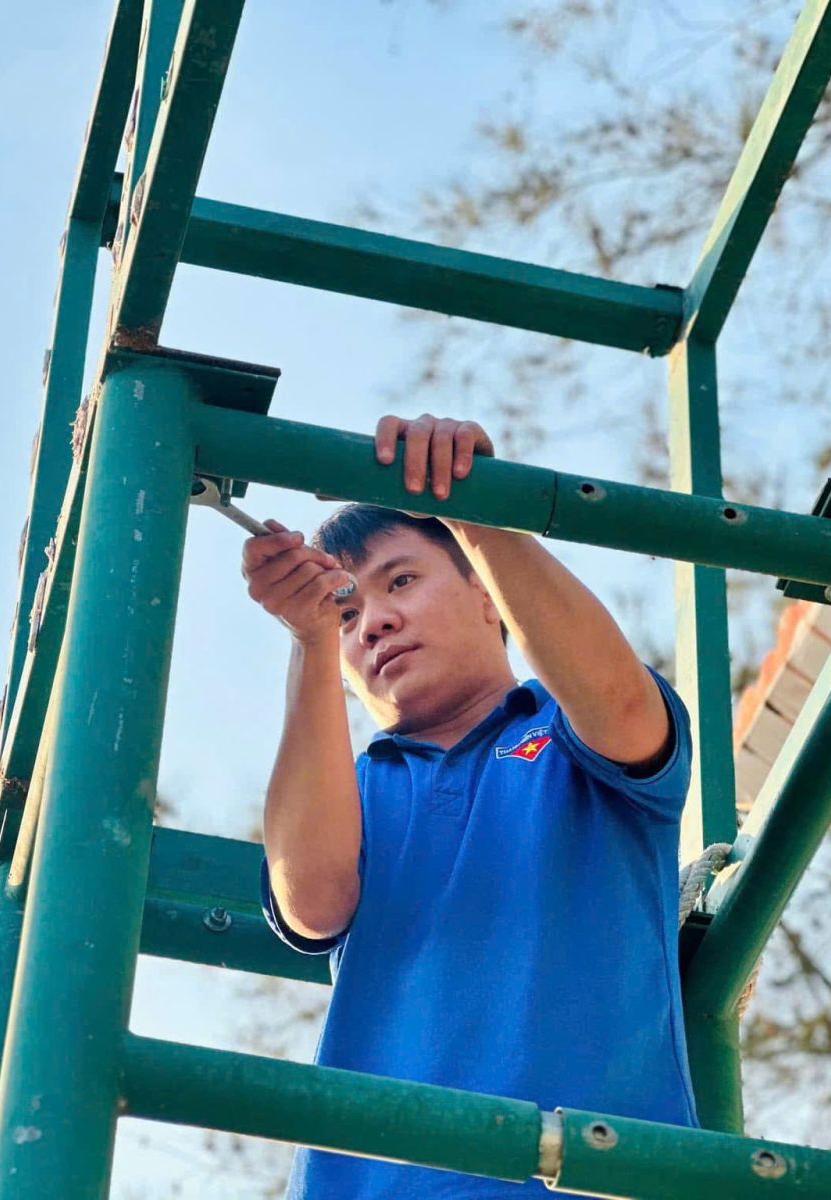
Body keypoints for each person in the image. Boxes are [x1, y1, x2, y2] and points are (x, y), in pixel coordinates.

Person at [241, 413, 698, 1198]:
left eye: (401, 581)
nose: (374, 621)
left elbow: (625, 713)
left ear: (489, 597)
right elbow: (310, 903)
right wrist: (309, 639)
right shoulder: (353, 787)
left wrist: (480, 519)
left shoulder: (569, 728)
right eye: (347, 612)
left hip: (588, 1177)